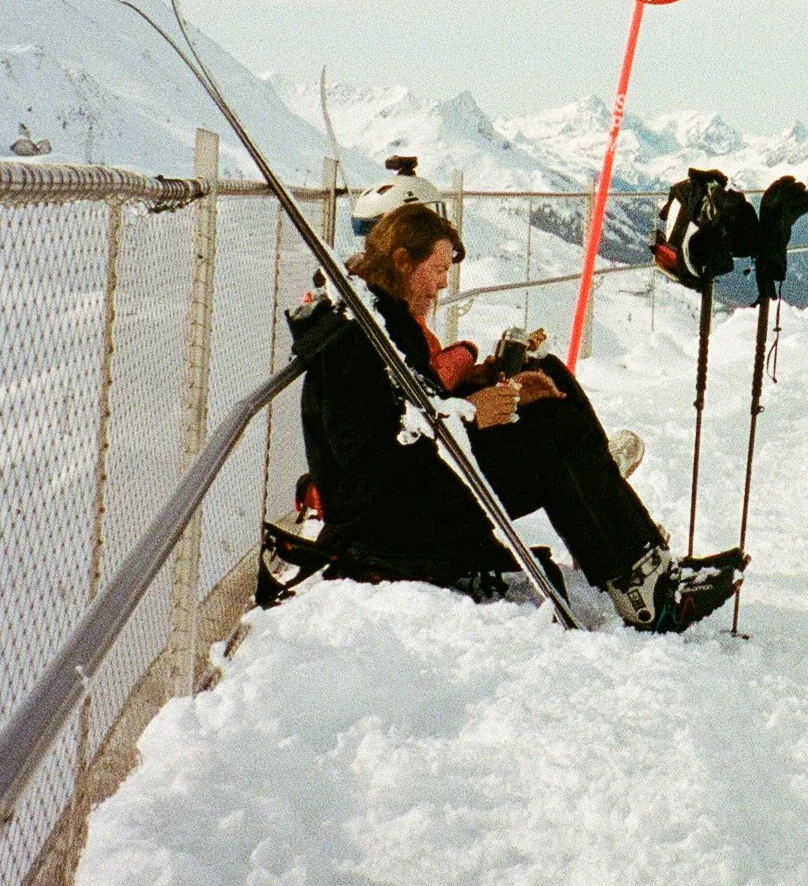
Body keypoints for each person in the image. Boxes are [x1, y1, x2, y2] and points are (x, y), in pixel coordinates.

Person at [300, 201, 738, 629]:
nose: (441, 286)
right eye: (436, 271)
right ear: (400, 260)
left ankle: (623, 546)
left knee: (546, 376)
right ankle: (647, 590)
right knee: (556, 434)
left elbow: (410, 406)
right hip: (391, 518)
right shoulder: (355, 336)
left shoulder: (377, 314)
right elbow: (371, 460)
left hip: (413, 489)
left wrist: (485, 389)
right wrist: (473, 412)